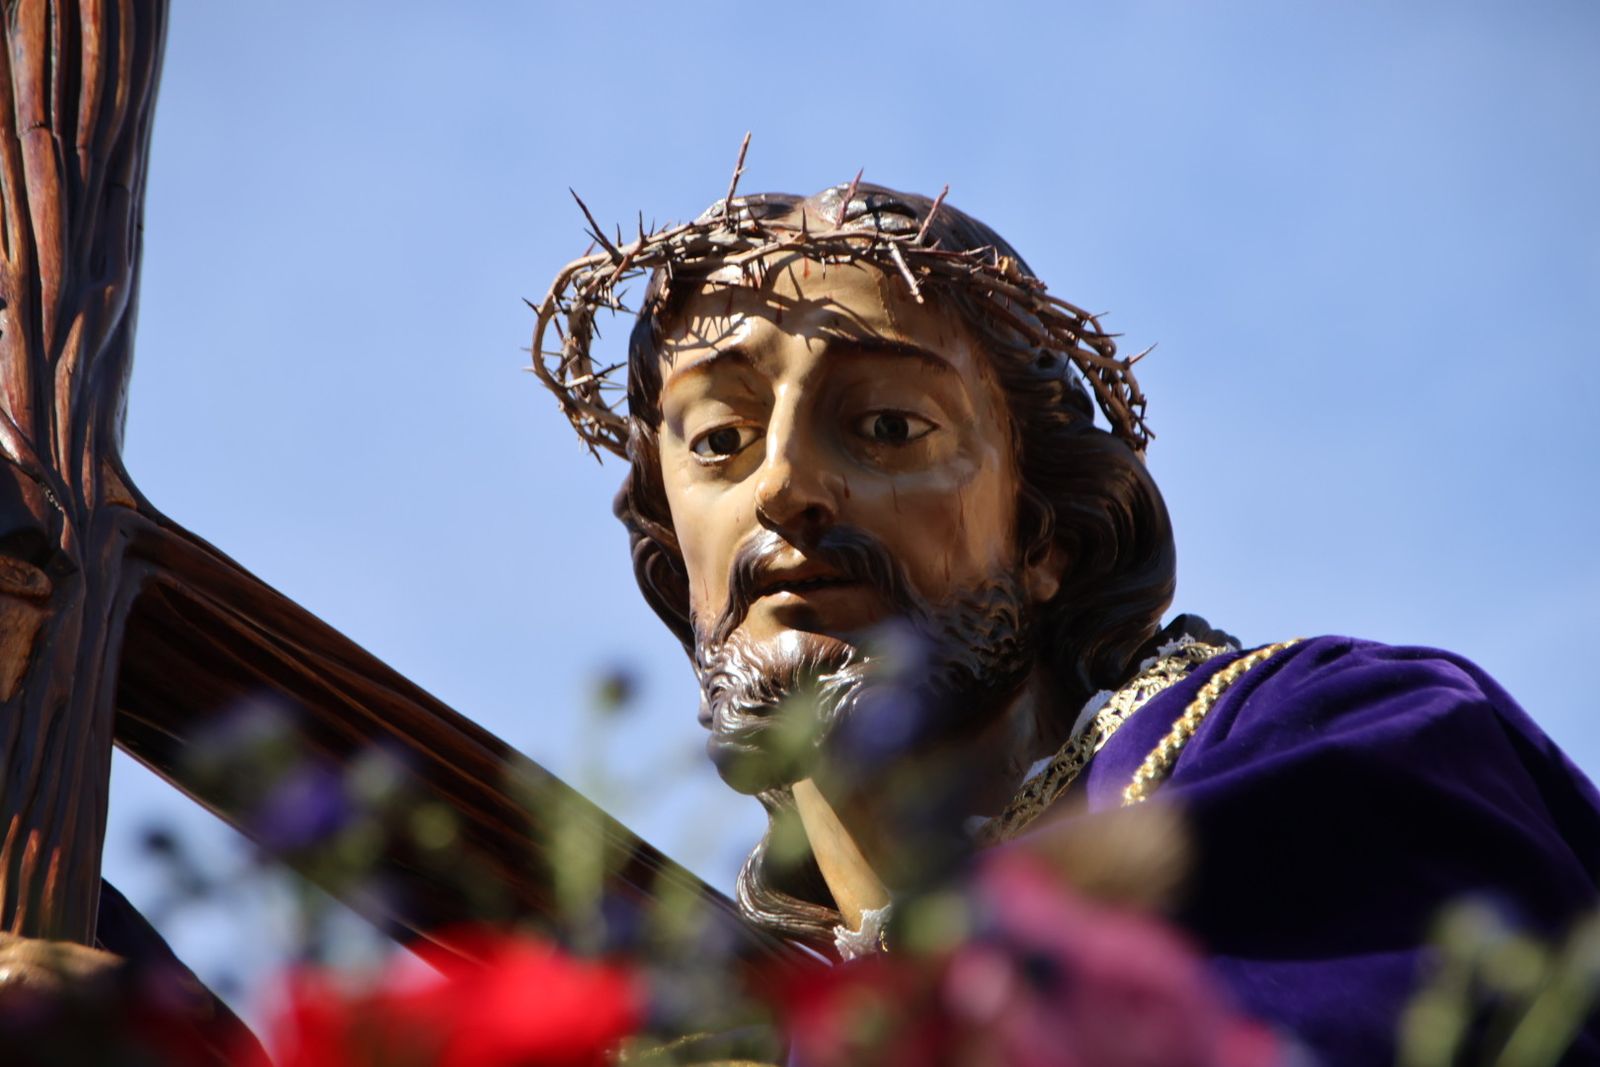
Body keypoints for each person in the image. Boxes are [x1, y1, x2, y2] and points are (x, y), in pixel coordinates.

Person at [534, 181, 1600, 1063]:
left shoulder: (1342, 740)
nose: (784, 487)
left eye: (888, 425)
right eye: (719, 440)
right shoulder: (710, 1010)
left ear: (1046, 536)